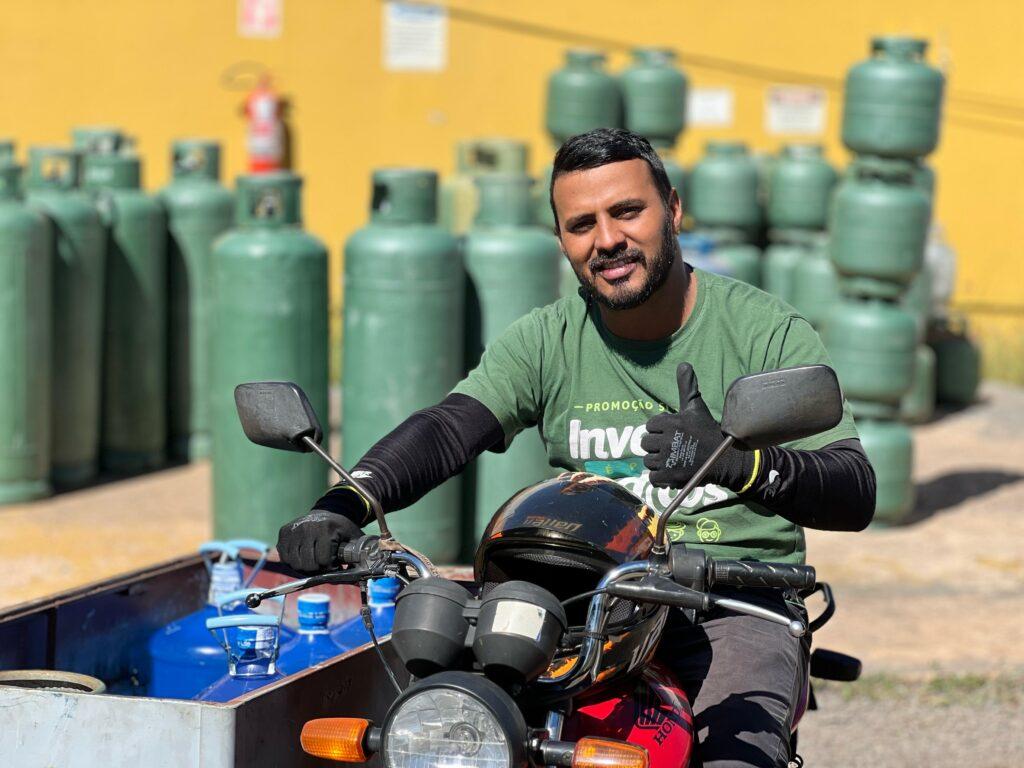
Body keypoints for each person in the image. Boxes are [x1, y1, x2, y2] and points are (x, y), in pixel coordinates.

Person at [277, 128, 876, 767]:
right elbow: (451, 427)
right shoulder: (548, 338)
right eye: (581, 223)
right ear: (561, 238)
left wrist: (739, 464)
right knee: (448, 724)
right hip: (583, 600)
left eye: (627, 211)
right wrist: (342, 505)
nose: (607, 239)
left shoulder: (763, 331)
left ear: (672, 210)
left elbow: (854, 489)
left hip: (729, 601)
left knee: (733, 757)